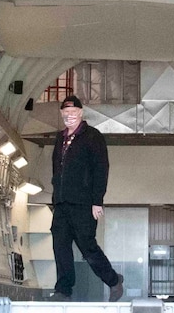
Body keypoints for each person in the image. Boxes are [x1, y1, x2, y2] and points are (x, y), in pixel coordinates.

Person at [47, 93, 125, 301]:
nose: (69, 115)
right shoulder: (60, 138)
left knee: (87, 246)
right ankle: (63, 290)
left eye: (73, 112)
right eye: (65, 112)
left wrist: (97, 200)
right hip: (62, 202)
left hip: (83, 202)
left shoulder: (93, 137)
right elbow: (56, 168)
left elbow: (101, 169)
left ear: (80, 113)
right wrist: (56, 197)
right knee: (60, 245)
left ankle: (114, 281)